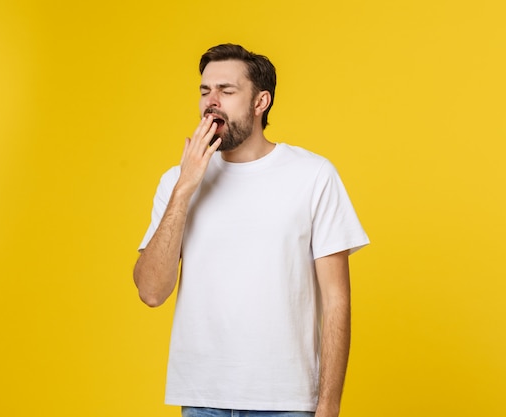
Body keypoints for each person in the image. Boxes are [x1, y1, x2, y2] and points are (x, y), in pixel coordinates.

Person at [134, 43, 369, 417]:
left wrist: (329, 406)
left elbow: (337, 301)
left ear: (261, 102)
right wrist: (184, 189)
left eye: (226, 91)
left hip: (287, 402)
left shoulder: (313, 176)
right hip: (203, 399)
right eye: (205, 91)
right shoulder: (176, 182)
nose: (212, 102)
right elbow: (151, 291)